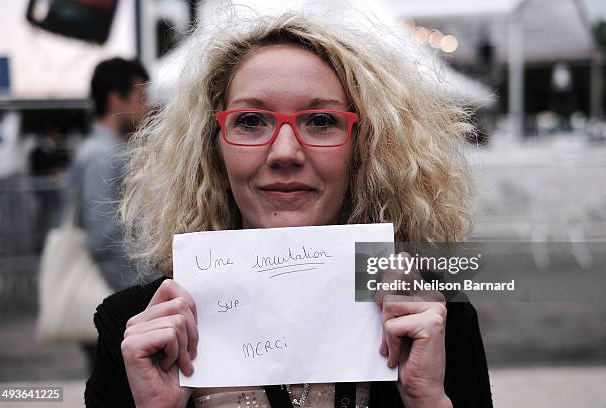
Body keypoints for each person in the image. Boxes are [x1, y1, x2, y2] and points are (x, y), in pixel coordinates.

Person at [85, 10, 492, 408]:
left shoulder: (433, 316)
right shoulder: (137, 335)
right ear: (215, 156)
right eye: (250, 121)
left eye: (319, 120)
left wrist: (427, 400)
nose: (284, 152)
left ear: (364, 152)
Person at [65, 57, 150, 370]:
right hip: (116, 294)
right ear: (117, 98)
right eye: (141, 97)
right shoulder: (103, 154)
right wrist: (145, 286)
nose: (147, 107)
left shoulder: (99, 150)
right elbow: (103, 236)